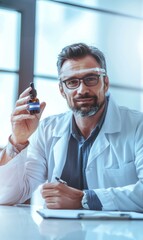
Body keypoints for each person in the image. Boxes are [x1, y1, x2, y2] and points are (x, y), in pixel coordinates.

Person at [0, 42, 143, 211]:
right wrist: (18, 140)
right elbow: (6, 196)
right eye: (72, 82)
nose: (82, 90)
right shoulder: (48, 129)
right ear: (62, 90)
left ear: (105, 83)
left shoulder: (137, 125)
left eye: (90, 79)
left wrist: (86, 199)